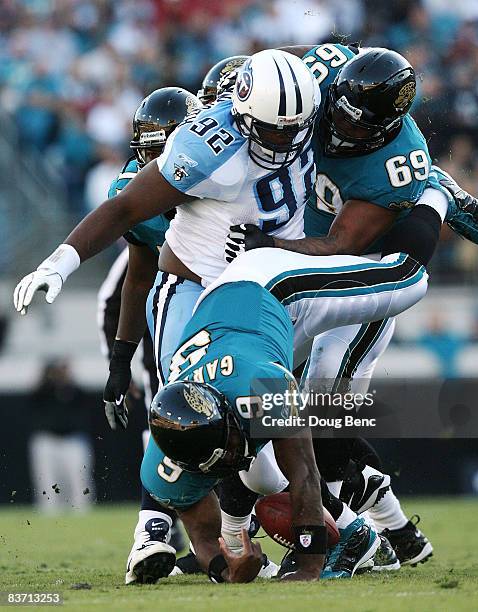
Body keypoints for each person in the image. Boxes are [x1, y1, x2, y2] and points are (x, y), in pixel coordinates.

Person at [13, 49, 322, 583]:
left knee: (281, 426)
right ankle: (176, 536)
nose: (283, 141)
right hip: (193, 296)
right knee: (191, 423)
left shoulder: (300, 110)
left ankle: (341, 529)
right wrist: (62, 263)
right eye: (271, 130)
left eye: (292, 128)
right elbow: (130, 234)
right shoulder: (206, 149)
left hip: (268, 289)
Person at [224, 44, 478, 566]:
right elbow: (284, 60)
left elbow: (342, 246)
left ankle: (438, 194)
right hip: (306, 270)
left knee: (325, 407)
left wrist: (270, 246)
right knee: (270, 399)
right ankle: (399, 537)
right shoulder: (324, 75)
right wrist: (251, 74)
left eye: (359, 127)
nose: (340, 131)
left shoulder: (396, 162)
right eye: (339, 115)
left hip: (363, 277)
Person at [143, 191, 444, 582]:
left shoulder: (258, 390)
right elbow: (201, 536)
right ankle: (369, 508)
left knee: (405, 284)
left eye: (229, 446)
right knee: (260, 476)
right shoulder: (163, 464)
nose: (231, 459)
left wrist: (307, 565)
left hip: (272, 287)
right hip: (251, 332)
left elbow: (303, 473)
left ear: (231, 413)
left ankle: (436, 194)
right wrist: (229, 568)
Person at [96, 86, 203, 556]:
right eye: (147, 149)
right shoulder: (135, 191)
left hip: (254, 296)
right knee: (171, 415)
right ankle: (154, 529)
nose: (152, 161)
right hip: (179, 302)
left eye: (164, 149)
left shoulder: (228, 172)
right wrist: (120, 363)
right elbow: (134, 282)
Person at [28, 358, 93, 514]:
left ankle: (82, 511)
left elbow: (83, 404)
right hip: (47, 440)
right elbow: (33, 398)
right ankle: (49, 512)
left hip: (73, 440)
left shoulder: (74, 391)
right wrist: (47, 377)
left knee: (79, 479)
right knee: (47, 480)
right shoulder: (44, 390)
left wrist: (65, 381)